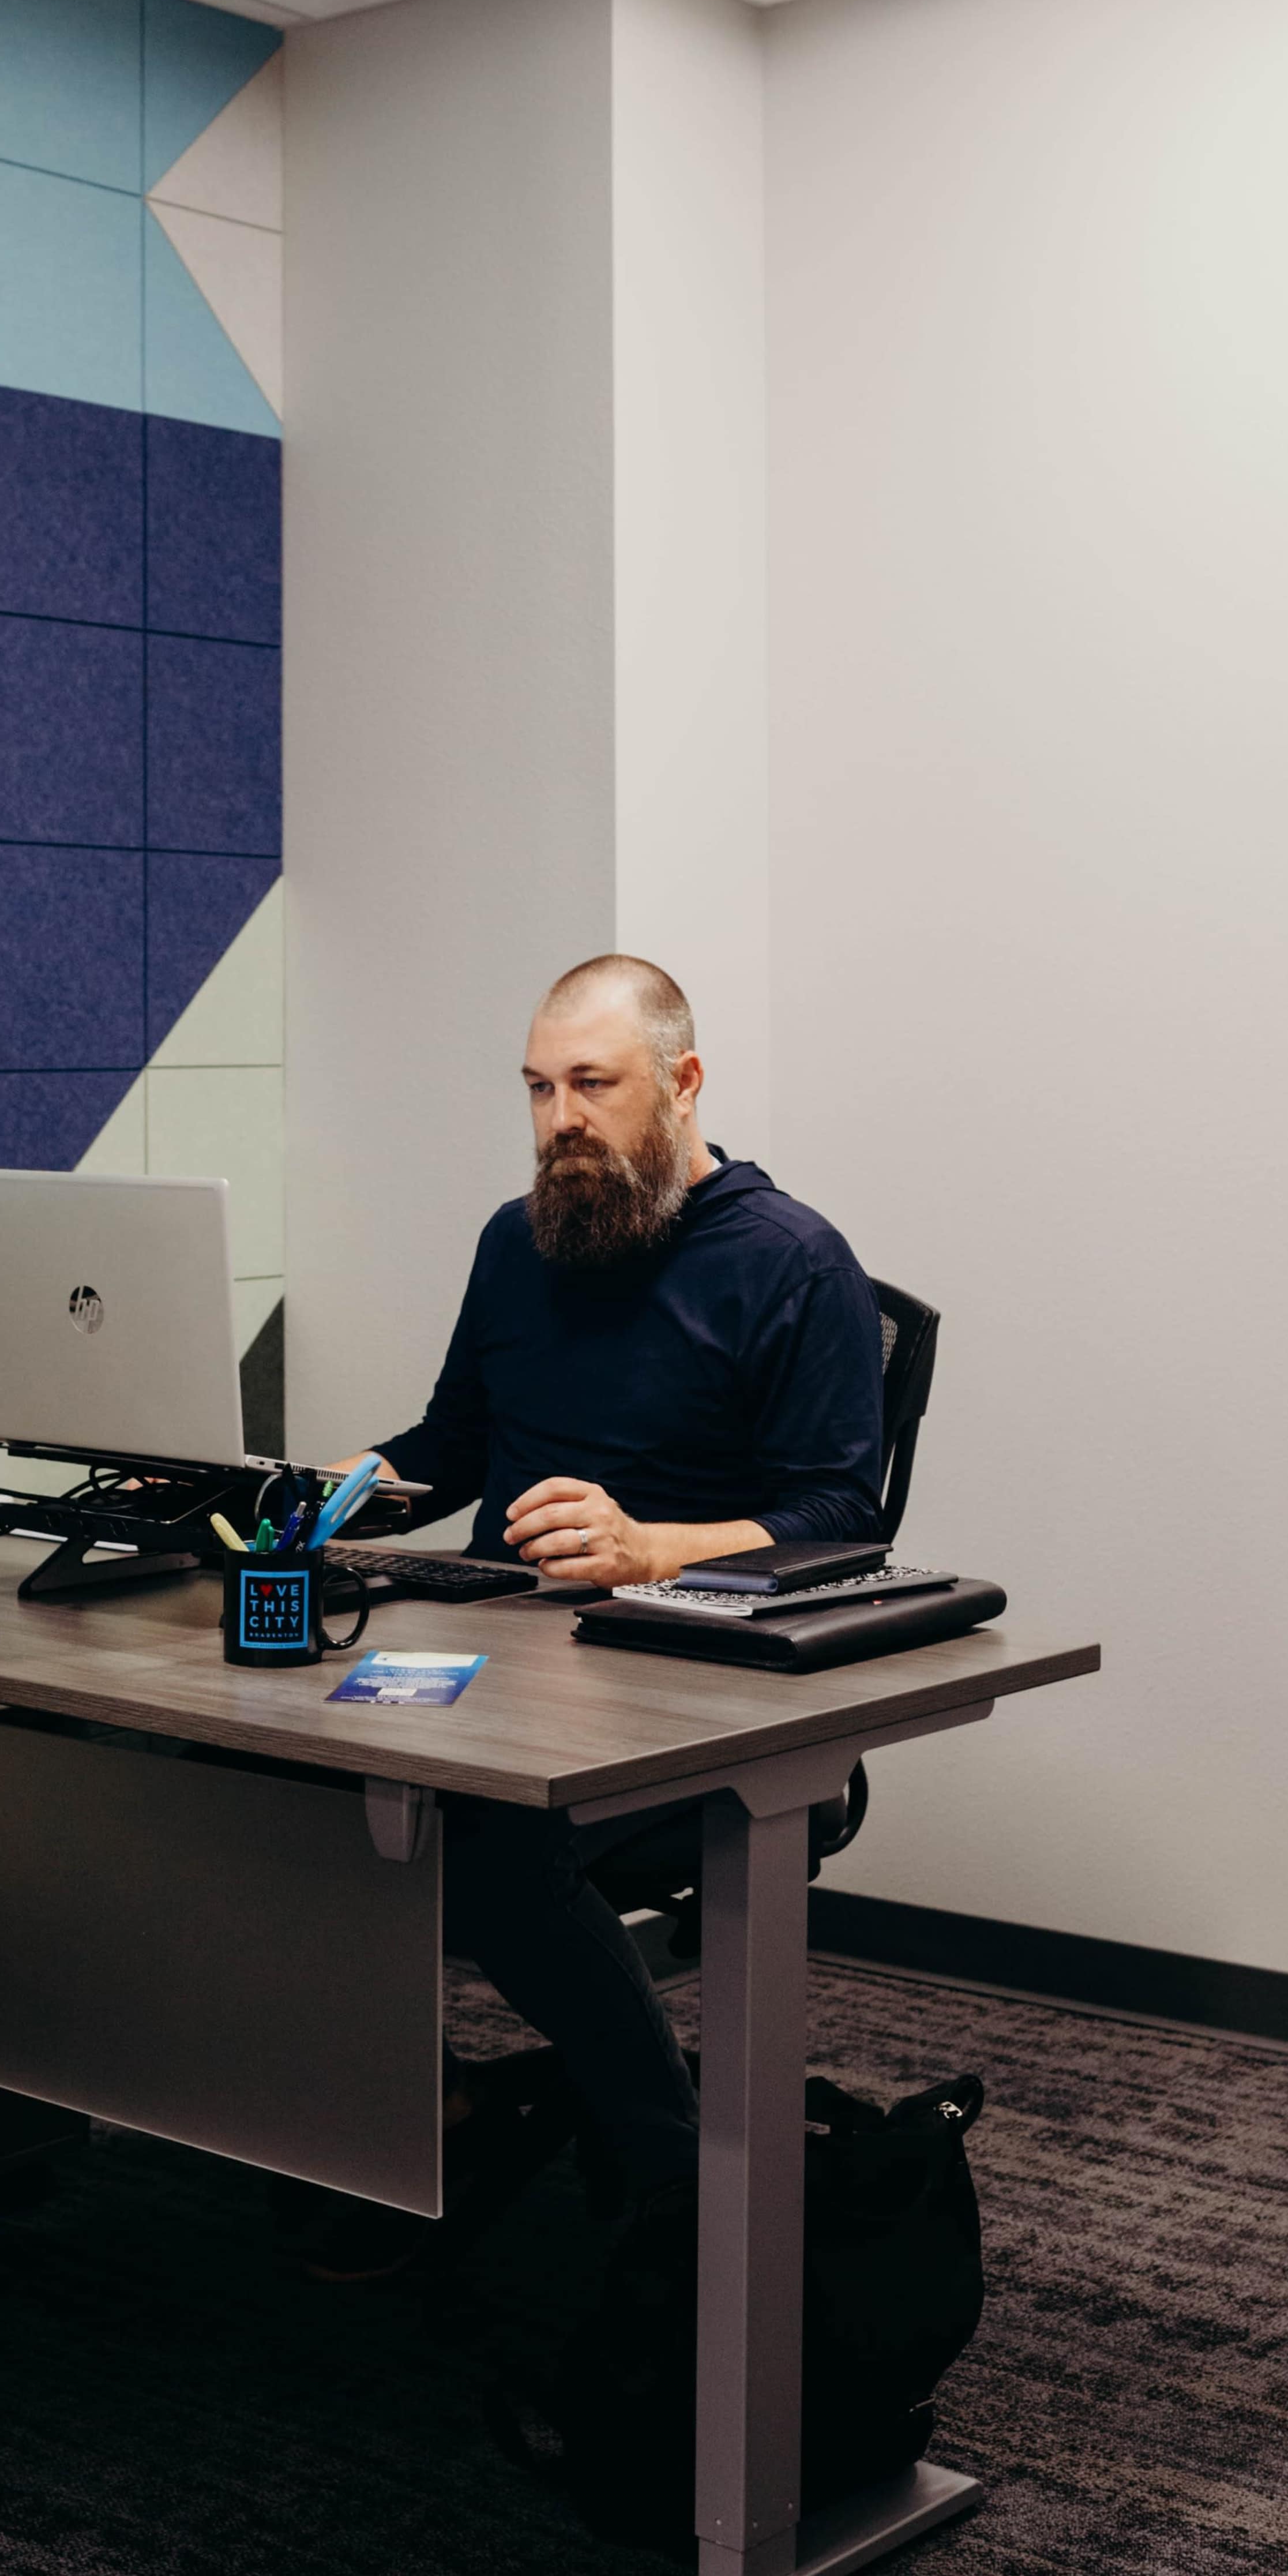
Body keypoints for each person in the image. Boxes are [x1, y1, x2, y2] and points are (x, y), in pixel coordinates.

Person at [318, 953, 885, 2264]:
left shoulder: (795, 1262)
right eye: (537, 1089)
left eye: (592, 1085)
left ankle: (679, 2189)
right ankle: (423, 2110)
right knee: (252, 1778)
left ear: (681, 1086)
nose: (559, 1120)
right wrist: (320, 1498)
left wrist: (648, 1548)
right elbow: (452, 1444)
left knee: (490, 1843)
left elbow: (843, 1519)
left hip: (697, 1687)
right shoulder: (517, 1243)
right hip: (498, 1656)